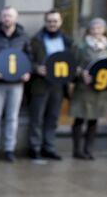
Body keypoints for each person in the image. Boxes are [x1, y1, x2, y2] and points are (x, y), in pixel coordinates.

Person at [0, 6, 32, 162]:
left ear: (15, 18)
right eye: (4, 16)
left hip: (16, 84)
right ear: (0, 18)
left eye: (10, 16)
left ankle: (10, 149)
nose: (7, 19)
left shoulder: (23, 37)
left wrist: (27, 72)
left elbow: (29, 57)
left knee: (12, 118)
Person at [28, 10, 74, 161]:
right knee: (37, 117)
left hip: (58, 84)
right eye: (49, 21)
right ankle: (35, 148)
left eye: (55, 21)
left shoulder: (67, 41)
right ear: (45, 22)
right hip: (40, 84)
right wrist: (36, 68)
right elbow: (27, 60)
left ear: (60, 22)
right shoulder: (36, 40)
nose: (52, 24)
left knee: (53, 118)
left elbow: (72, 61)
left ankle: (49, 147)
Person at [69, 18, 107, 160]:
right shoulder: (81, 46)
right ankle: (77, 150)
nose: (96, 31)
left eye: (99, 28)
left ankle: (89, 149)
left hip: (100, 88)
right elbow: (73, 65)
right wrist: (81, 73)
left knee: (94, 119)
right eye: (93, 28)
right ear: (89, 30)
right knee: (79, 118)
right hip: (84, 88)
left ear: (104, 30)